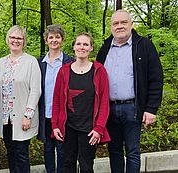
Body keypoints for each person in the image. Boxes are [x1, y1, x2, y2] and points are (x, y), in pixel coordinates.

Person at [96, 9, 163, 173]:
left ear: (131, 24)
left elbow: (156, 78)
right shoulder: (105, 49)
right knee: (114, 151)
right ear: (111, 27)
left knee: (132, 152)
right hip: (109, 109)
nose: (119, 26)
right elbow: (95, 79)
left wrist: (151, 109)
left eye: (123, 22)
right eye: (115, 23)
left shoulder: (144, 46)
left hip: (133, 108)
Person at [52, 32, 110, 173]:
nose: (82, 47)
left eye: (86, 44)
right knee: (68, 163)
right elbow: (56, 101)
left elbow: (104, 103)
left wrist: (99, 128)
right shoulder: (64, 71)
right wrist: (55, 125)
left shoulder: (99, 70)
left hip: (89, 129)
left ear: (91, 48)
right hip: (68, 127)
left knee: (86, 166)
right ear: (73, 47)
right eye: (78, 44)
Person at [0, 25, 41, 173]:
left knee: (21, 154)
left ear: (24, 41)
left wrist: (28, 115)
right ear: (8, 40)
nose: (16, 40)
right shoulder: (1, 63)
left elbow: (35, 90)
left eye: (19, 38)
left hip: (22, 117)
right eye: (13, 37)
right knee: (10, 153)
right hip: (5, 118)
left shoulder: (31, 62)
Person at [37, 24, 72, 173]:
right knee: (48, 148)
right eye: (51, 37)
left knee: (63, 149)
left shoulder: (69, 62)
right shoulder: (39, 64)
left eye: (57, 37)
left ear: (62, 39)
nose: (54, 40)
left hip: (63, 115)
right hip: (46, 113)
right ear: (46, 40)